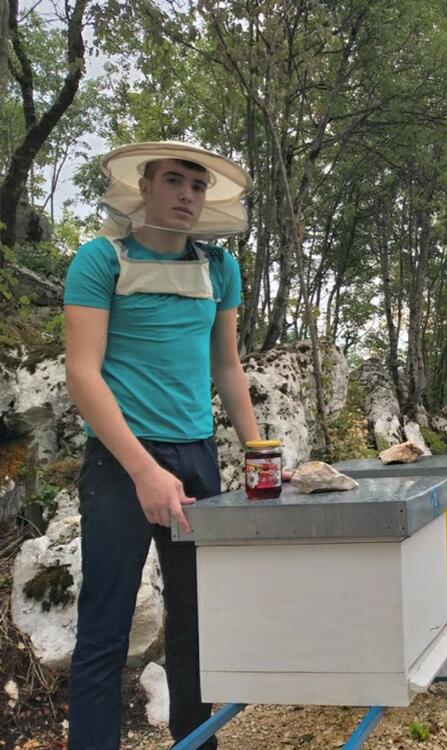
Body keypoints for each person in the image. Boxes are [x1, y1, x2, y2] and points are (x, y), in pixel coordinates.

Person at [63, 142, 261, 749]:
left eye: (198, 186)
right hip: (120, 461)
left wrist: (260, 453)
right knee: (105, 626)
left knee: (196, 625)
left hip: (197, 456)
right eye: (174, 180)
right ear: (144, 186)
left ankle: (195, 743)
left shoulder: (219, 268)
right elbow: (82, 373)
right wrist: (143, 470)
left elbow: (226, 367)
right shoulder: (101, 259)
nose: (187, 195)